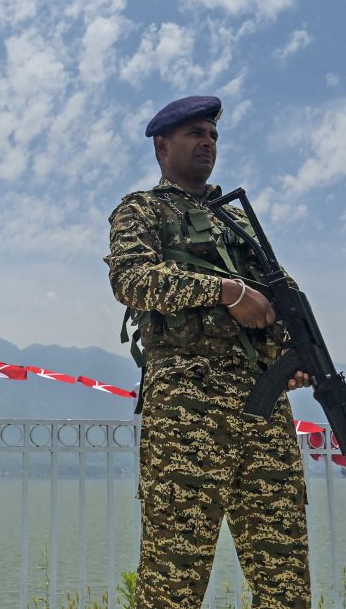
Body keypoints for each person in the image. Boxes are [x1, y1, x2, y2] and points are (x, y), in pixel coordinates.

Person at [104, 95, 312, 609]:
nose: (207, 142)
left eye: (213, 135)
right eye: (195, 133)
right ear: (162, 145)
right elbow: (132, 279)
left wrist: (298, 350)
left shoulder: (237, 223)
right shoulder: (143, 210)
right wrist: (228, 292)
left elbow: (283, 293)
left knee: (285, 579)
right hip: (189, 414)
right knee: (173, 581)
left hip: (264, 413)